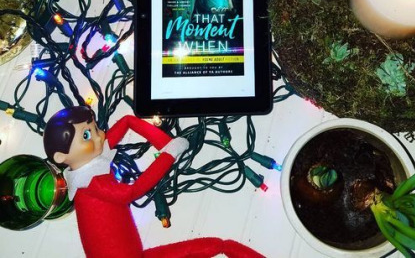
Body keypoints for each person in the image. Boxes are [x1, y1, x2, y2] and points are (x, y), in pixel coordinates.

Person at [43, 106, 264, 258]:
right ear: (61, 158)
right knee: (216, 246)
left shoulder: (89, 165)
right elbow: (132, 192)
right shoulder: (91, 186)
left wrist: (157, 137)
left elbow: (121, 127)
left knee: (217, 246)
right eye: (86, 135)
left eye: (95, 128)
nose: (99, 136)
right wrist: (169, 154)